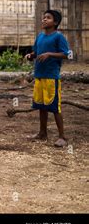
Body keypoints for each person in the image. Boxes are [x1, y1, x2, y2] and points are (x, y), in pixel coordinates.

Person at [25, 9, 70, 147]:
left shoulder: (58, 37)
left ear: (55, 22)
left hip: (51, 77)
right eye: (43, 17)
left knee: (55, 107)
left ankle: (62, 136)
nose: (44, 19)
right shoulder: (39, 36)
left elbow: (66, 54)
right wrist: (31, 56)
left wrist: (50, 54)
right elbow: (37, 52)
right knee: (41, 106)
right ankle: (42, 133)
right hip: (39, 76)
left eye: (48, 18)